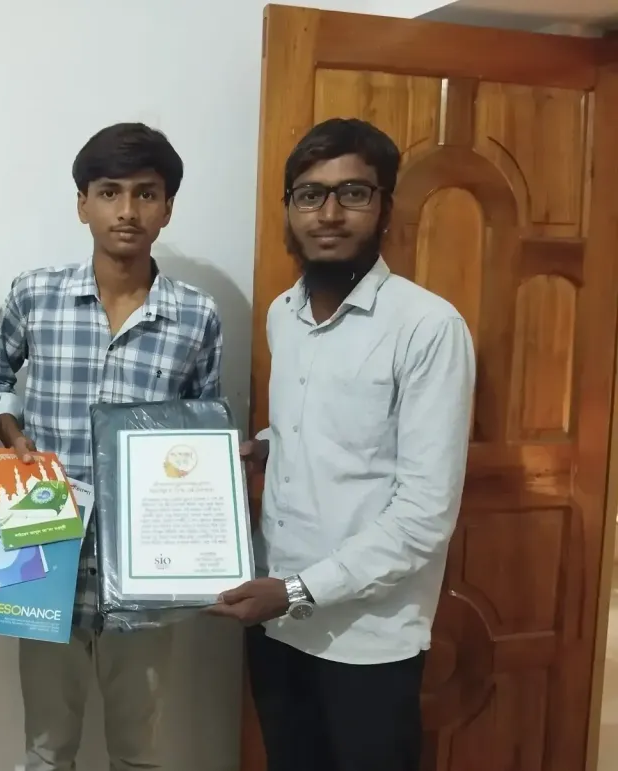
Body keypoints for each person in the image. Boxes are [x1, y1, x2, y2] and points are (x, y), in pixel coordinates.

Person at [208, 118, 475, 771]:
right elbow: (327, 427)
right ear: (289, 209)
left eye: (352, 193)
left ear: (385, 207)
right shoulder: (284, 313)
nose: (328, 214)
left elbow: (424, 514)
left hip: (368, 640)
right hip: (276, 624)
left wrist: (295, 590)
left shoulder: (428, 327)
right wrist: (266, 446)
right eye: (310, 194)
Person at [0, 122, 223, 771]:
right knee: (45, 747)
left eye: (146, 193)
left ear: (168, 207)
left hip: (145, 566)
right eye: (110, 192)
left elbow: (206, 430)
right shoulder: (36, 294)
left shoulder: (196, 315)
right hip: (43, 539)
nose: (127, 210)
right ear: (83, 203)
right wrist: (14, 437)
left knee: (138, 750)